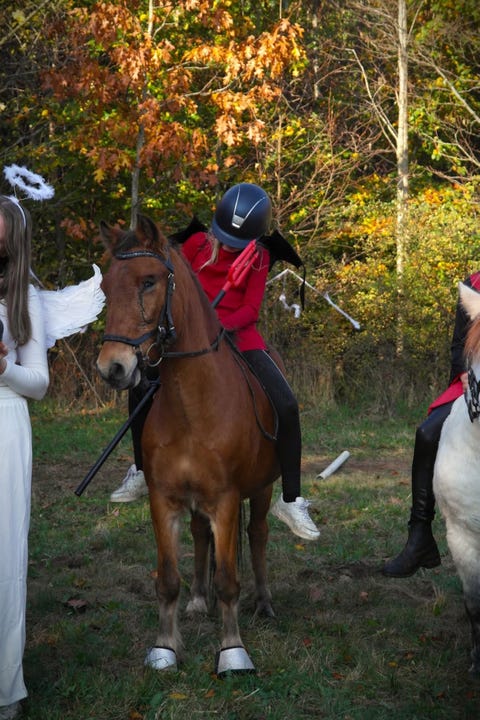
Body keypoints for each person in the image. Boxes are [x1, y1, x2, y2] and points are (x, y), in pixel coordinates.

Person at [110, 183, 320, 541]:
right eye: (225, 238)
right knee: (142, 386)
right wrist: (192, 327)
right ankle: (142, 471)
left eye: (237, 242)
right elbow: (176, 291)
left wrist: (219, 328)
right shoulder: (194, 245)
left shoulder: (259, 257)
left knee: (286, 403)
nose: (229, 246)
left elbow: (250, 309)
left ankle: (290, 498)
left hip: (239, 337)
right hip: (188, 340)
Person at [382, 270, 480, 578]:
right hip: (475, 382)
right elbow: (459, 347)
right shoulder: (473, 285)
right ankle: (420, 536)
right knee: (427, 434)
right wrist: (466, 377)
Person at [0, 196, 49, 719]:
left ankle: (4, 687)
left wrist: (4, 370)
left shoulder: (25, 297)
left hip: (5, 421)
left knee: (4, 556)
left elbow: (39, 383)